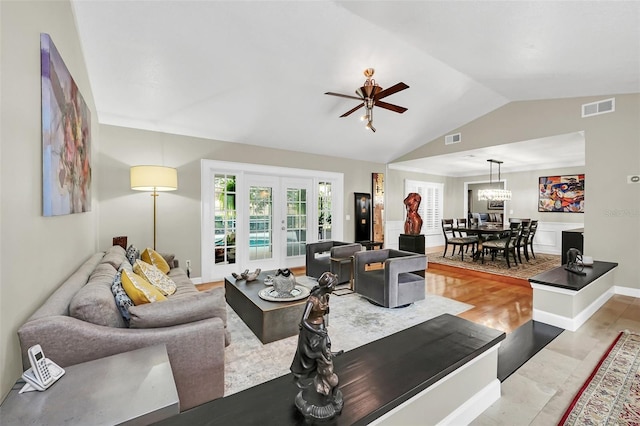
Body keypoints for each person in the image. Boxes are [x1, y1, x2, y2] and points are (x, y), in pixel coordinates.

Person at [290, 271, 342, 396]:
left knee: (325, 347)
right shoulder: (312, 300)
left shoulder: (326, 296)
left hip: (320, 327)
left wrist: (323, 329)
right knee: (306, 357)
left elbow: (324, 314)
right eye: (333, 286)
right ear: (328, 286)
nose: (334, 289)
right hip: (310, 330)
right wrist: (316, 331)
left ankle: (322, 376)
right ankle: (299, 378)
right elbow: (303, 320)